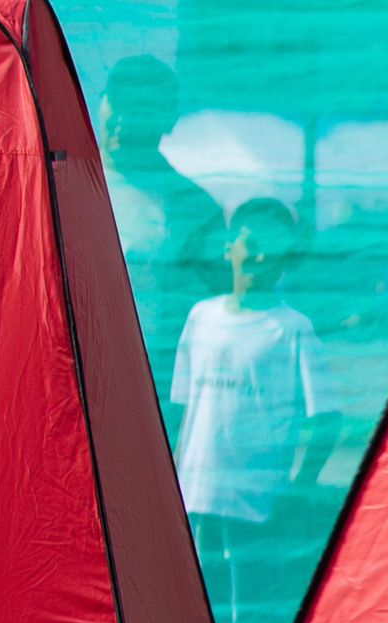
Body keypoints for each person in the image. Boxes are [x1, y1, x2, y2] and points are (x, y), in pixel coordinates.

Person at [172, 198, 341, 623]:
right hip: (195, 494)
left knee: (248, 613)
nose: (260, 251)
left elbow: (327, 418)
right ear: (228, 249)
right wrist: (173, 481)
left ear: (288, 256)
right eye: (250, 238)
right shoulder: (200, 318)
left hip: (255, 500)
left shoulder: (293, 329)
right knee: (196, 605)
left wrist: (298, 484)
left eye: (273, 242)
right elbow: (186, 408)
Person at [97, 56, 226, 422]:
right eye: (118, 106)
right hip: (63, 372)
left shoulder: (194, 209)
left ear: (167, 120)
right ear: (100, 100)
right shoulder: (54, 183)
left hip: (149, 392)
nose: (123, 122)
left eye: (140, 111)